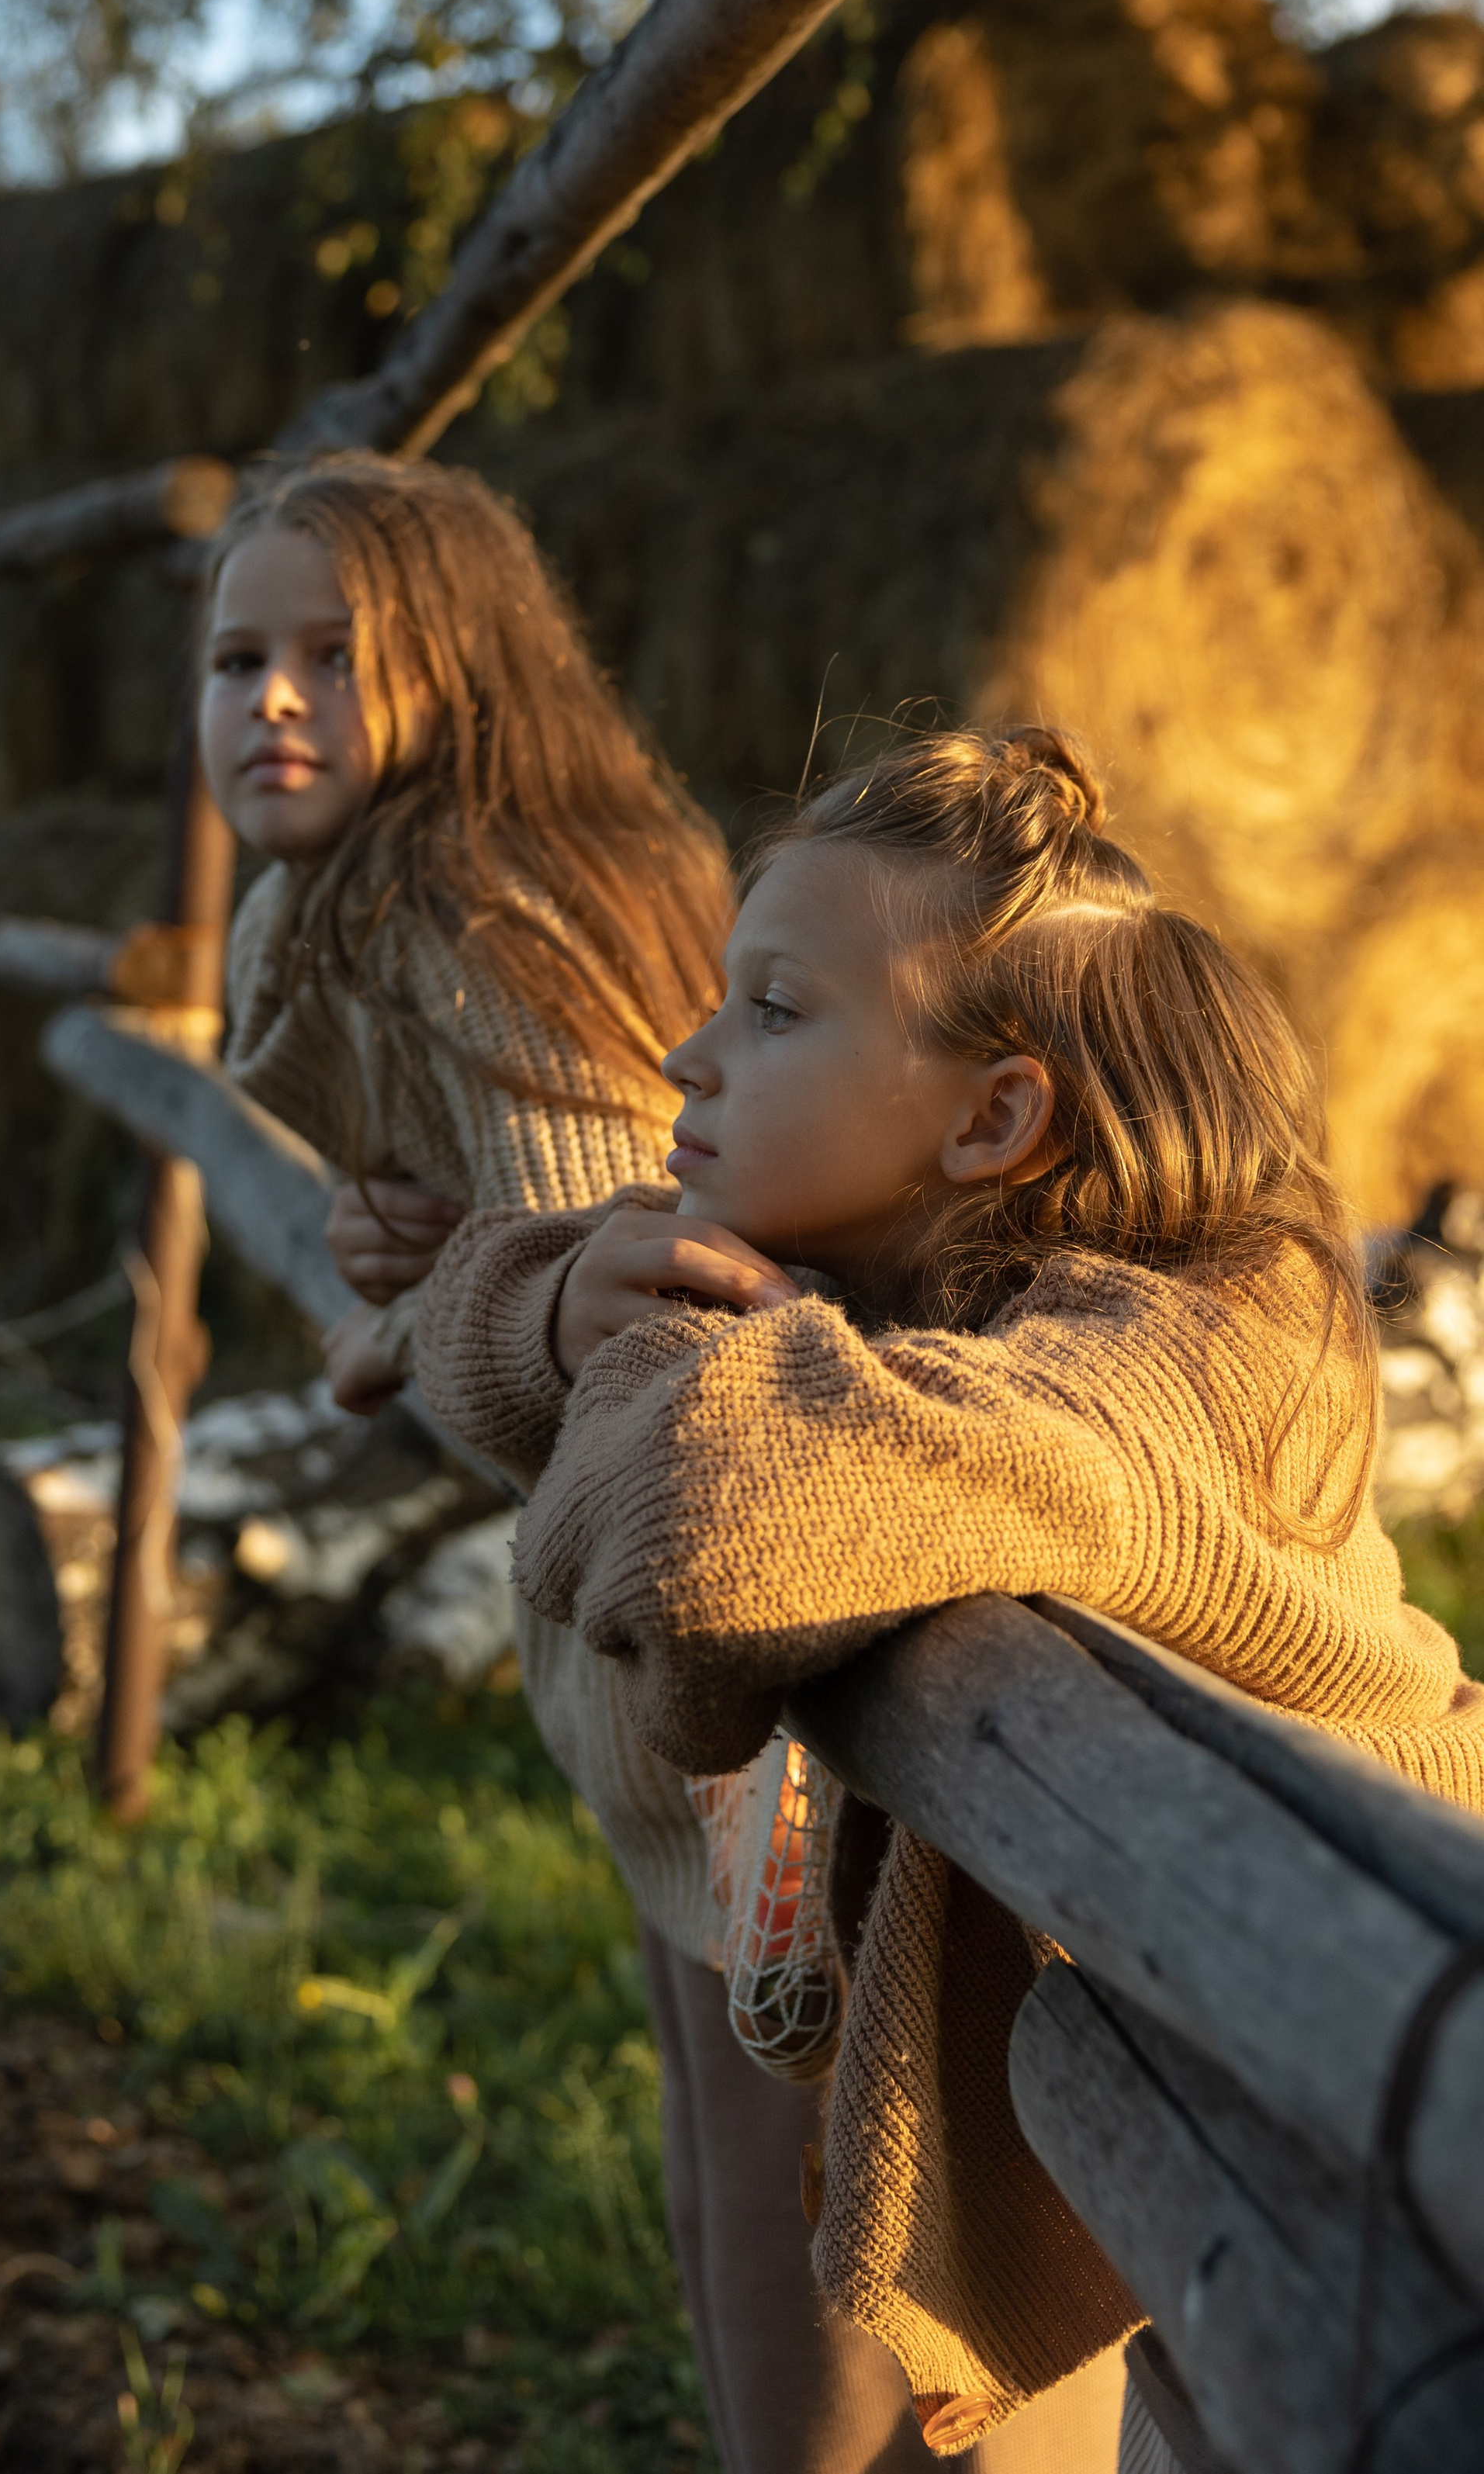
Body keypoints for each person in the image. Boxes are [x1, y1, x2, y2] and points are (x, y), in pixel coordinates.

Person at [412, 724, 1484, 2469]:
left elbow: (704, 1527)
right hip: (1149, 2039)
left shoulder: (1190, 1351)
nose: (687, 1055)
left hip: (1351, 2069)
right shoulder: (912, 1258)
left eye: (772, 1010)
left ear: (992, 1116)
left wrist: (644, 1359)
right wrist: (552, 1318)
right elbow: (484, 1321)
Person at [198, 448, 968, 2474]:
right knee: (752, 2174)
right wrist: (441, 1255)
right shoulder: (467, 881)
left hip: (731, 1681)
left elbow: (626, 1327)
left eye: (333, 653)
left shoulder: (468, 912)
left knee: (785, 2210)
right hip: (696, 1652)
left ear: (463, 670)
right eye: (233, 658)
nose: (271, 698)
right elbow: (570, 1214)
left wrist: (422, 1316)